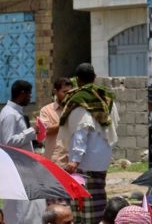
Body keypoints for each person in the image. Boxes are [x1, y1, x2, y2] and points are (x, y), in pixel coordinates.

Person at [60, 63, 119, 224]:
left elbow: (81, 130)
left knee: (84, 207)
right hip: (102, 160)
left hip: (85, 161)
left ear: (77, 80)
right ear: (94, 78)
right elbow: (112, 126)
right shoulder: (106, 97)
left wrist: (75, 160)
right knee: (99, 199)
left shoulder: (79, 100)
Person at [0, 79, 45, 224]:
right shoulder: (10, 114)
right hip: (15, 166)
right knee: (17, 206)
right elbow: (8, 142)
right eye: (29, 94)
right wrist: (32, 131)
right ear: (22, 93)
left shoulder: (15, 113)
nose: (30, 98)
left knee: (25, 204)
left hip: (22, 165)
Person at [39, 77, 74, 166]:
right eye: (65, 92)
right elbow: (46, 130)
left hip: (73, 161)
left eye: (70, 92)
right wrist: (64, 120)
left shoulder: (75, 109)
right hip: (55, 162)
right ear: (56, 92)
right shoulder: (46, 110)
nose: (68, 95)